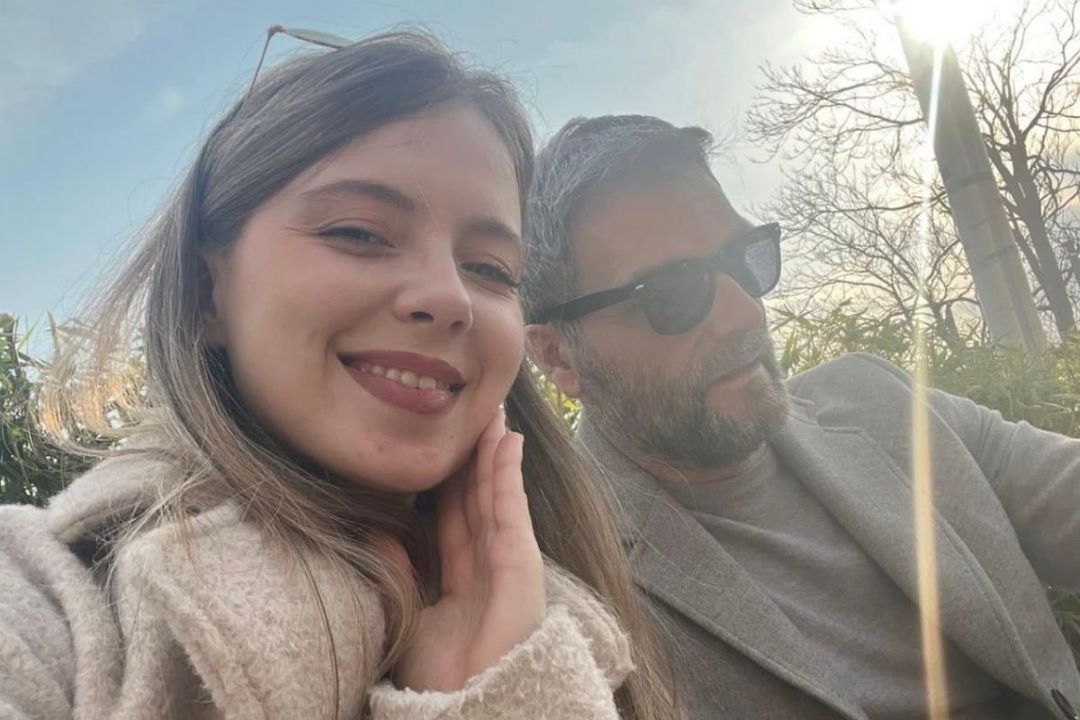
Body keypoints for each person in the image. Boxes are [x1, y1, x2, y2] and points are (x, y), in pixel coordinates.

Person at [0, 34, 677, 720]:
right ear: (207, 293)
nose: (450, 296)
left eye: (490, 269)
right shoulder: (48, 603)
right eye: (358, 232)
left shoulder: (586, 613)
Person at [524, 114, 1080, 719]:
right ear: (557, 355)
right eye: (672, 292)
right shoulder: (555, 579)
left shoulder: (877, 399)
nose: (746, 314)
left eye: (745, 258)